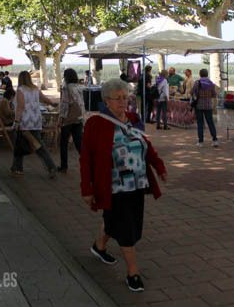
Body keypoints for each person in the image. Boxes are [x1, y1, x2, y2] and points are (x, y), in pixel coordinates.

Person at [80, 78, 167, 292]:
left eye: (125, 97)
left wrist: (159, 166)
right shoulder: (95, 123)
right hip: (113, 186)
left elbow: (146, 145)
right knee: (127, 229)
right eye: (117, 98)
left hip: (137, 183)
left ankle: (99, 246)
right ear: (106, 101)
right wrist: (87, 189)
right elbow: (86, 159)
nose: (122, 102)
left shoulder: (133, 119)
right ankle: (133, 273)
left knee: (119, 221)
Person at [10, 71, 58, 178]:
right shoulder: (35, 89)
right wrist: (52, 103)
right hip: (36, 121)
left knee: (20, 144)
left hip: (25, 121)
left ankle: (18, 168)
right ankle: (17, 167)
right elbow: (44, 99)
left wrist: (16, 121)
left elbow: (20, 107)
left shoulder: (21, 90)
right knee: (37, 144)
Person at [58, 68, 85, 173]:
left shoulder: (66, 88)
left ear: (66, 77)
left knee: (64, 143)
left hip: (68, 119)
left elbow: (64, 105)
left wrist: (61, 119)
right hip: (78, 118)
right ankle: (88, 162)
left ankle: (64, 166)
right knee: (79, 143)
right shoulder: (80, 87)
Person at [192, 68, 220, 147]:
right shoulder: (211, 83)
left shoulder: (197, 83)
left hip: (199, 106)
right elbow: (214, 94)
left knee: (200, 123)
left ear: (200, 74)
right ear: (207, 74)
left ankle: (200, 142)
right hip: (208, 106)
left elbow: (192, 92)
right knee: (210, 123)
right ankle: (215, 140)